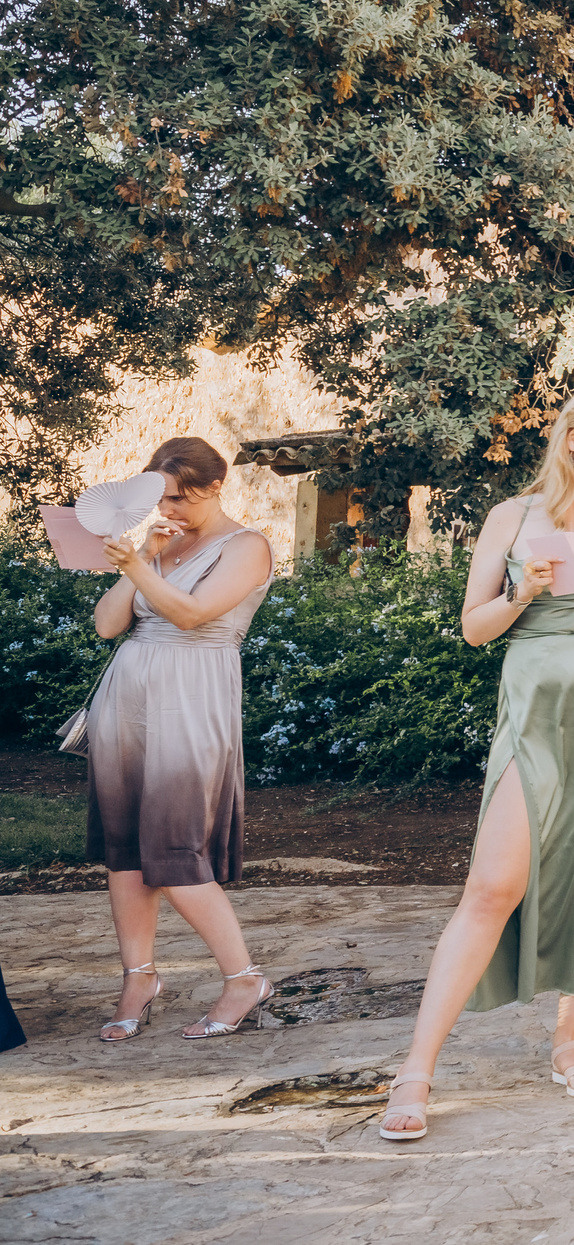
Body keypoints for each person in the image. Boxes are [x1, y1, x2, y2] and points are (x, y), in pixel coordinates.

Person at [377, 385, 574, 1142]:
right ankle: (415, 1068)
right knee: (492, 883)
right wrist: (522, 590)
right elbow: (476, 627)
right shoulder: (512, 516)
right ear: (573, 441)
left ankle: (569, 1035)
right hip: (534, 701)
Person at [85, 437, 276, 1042]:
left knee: (174, 847)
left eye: (178, 498)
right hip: (129, 698)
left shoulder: (247, 546)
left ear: (214, 487)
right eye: (159, 498)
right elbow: (108, 625)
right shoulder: (159, 544)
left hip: (193, 698)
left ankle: (244, 978)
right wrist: (142, 555)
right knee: (124, 848)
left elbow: (192, 615)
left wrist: (138, 567)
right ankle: (139, 976)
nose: (167, 509)